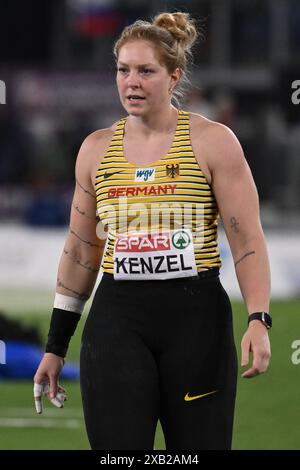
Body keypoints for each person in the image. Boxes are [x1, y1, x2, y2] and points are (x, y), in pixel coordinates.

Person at [33, 11, 271, 450]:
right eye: (123, 70)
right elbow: (82, 251)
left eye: (146, 71)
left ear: (174, 76)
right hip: (117, 322)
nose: (131, 82)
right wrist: (55, 345)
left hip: (197, 324)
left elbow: (247, 240)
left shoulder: (212, 142)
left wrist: (258, 318)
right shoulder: (95, 150)